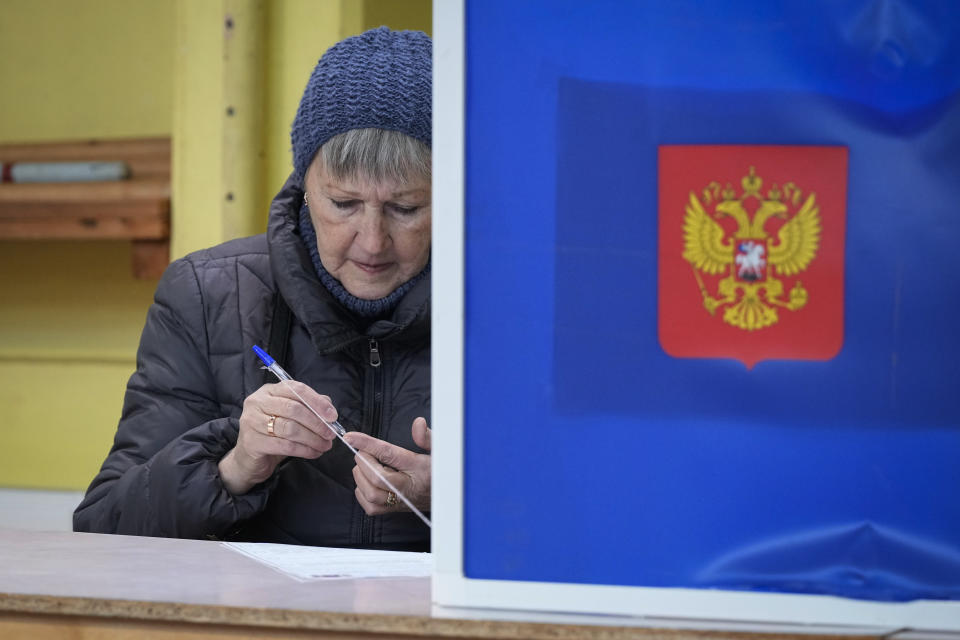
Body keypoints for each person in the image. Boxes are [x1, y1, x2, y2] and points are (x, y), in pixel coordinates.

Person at [73, 27, 433, 551]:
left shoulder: (519, 303)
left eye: (405, 209)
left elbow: (587, 520)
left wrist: (467, 497)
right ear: (305, 187)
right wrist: (236, 465)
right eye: (343, 204)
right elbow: (103, 528)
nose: (372, 241)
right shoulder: (207, 294)